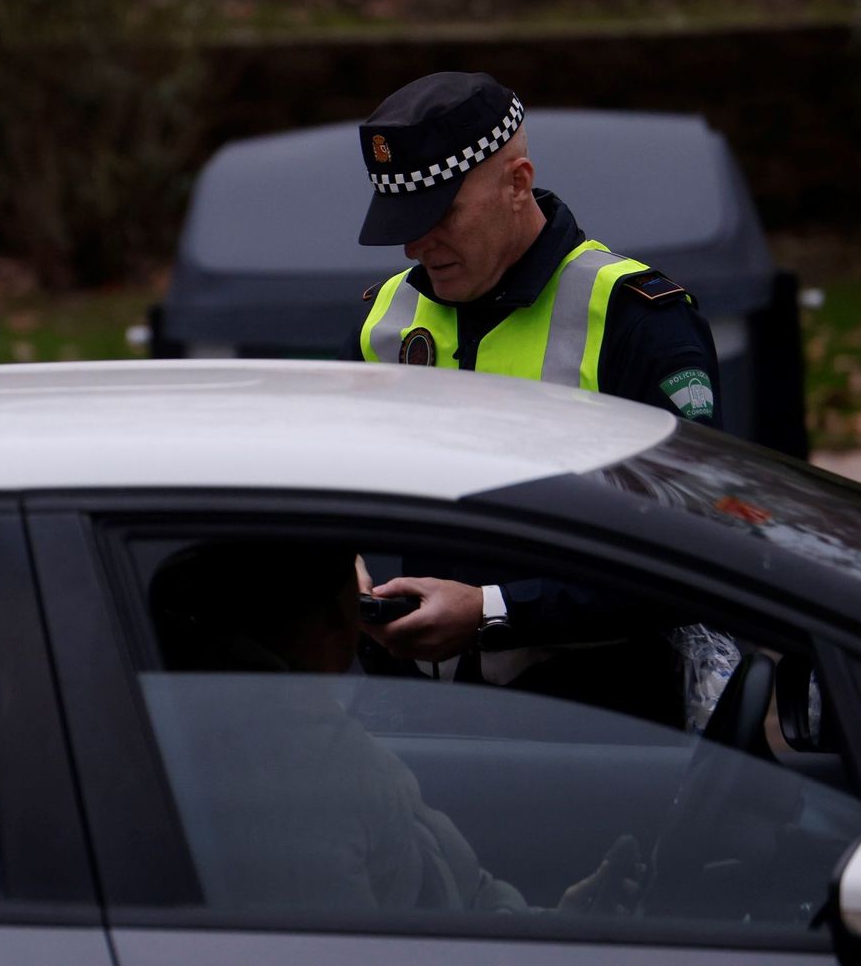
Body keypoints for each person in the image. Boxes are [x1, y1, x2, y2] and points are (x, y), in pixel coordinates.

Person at [340, 72, 720, 723]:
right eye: (404, 222)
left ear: (518, 184)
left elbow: (692, 553)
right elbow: (335, 492)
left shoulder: (635, 318)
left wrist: (491, 611)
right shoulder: (386, 319)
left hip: (591, 723)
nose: (415, 245)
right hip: (413, 717)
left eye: (441, 215)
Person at [147, 540, 641, 915]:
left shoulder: (313, 744)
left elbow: (450, 898)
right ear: (337, 620)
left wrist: (554, 924)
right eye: (350, 576)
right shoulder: (293, 788)